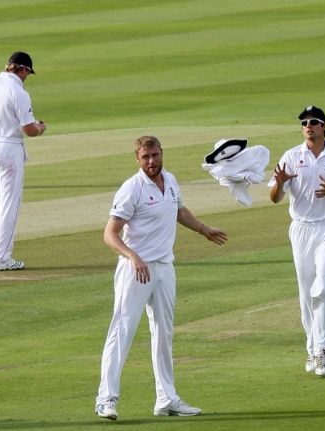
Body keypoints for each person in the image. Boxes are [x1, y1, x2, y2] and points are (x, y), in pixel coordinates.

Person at [95, 135, 228, 421]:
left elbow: (179, 210)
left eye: (155, 155)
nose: (152, 162)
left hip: (165, 267)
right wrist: (133, 257)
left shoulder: (170, 180)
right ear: (138, 159)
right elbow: (110, 234)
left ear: (161, 153)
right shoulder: (131, 189)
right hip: (136, 270)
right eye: (146, 157)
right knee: (122, 331)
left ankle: (166, 399)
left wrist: (204, 229)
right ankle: (106, 399)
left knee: (164, 334)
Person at [268, 105, 325, 377]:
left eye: (314, 122)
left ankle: (323, 350)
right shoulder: (291, 156)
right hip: (301, 230)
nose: (309, 126)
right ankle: (312, 347)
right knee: (307, 292)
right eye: (305, 122)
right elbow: (274, 198)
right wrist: (279, 183)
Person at [0, 52, 46, 271]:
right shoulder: (18, 92)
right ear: (23, 69)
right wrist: (40, 128)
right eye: (27, 72)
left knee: (2, 203)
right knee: (9, 205)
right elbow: (29, 129)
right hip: (8, 149)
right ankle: (1, 258)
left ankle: (0, 253)